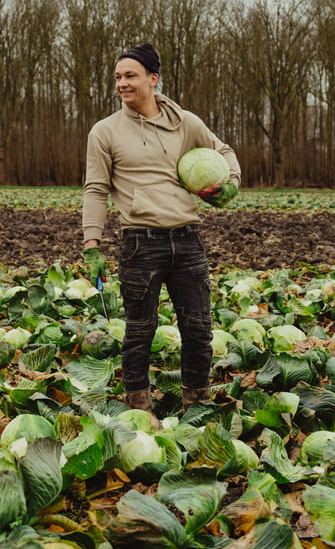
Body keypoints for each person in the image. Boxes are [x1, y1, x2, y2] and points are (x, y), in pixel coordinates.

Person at [81, 43, 241, 421]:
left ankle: (197, 405)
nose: (122, 83)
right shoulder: (105, 132)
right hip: (140, 243)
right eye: (118, 77)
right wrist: (92, 245)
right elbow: (95, 189)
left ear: (153, 80)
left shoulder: (186, 122)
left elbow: (225, 151)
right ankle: (139, 408)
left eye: (130, 76)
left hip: (188, 240)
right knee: (140, 330)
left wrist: (231, 183)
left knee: (199, 328)